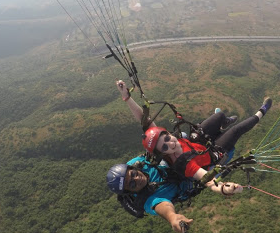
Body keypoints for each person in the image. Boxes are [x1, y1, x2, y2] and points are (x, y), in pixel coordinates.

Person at [117, 79, 272, 189]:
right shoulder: (184, 164)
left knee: (218, 116)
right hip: (212, 152)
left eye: (167, 138)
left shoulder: (165, 140)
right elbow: (205, 179)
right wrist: (223, 188)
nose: (170, 143)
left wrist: (127, 98)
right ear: (163, 154)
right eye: (165, 147)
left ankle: (222, 121)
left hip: (197, 142)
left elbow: (145, 120)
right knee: (236, 130)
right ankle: (262, 112)